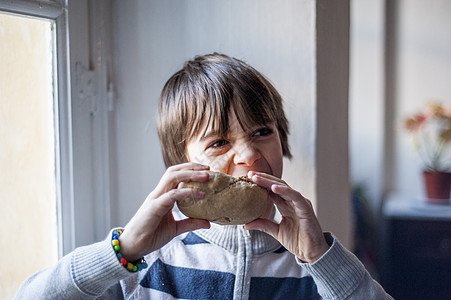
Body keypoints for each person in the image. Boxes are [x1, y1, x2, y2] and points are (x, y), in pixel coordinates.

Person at [15, 53, 392, 299]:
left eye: (262, 132)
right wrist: (124, 249)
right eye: (218, 143)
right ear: (181, 164)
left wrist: (322, 258)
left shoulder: (315, 267)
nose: (248, 155)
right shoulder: (146, 262)